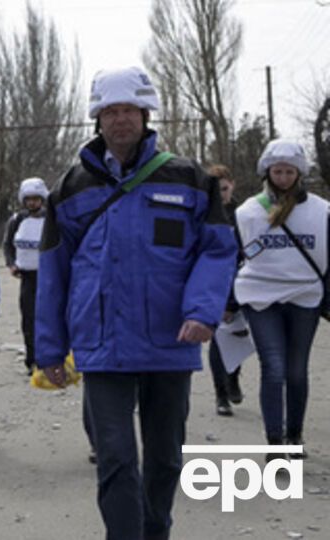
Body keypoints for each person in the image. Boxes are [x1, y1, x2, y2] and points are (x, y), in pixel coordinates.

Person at [35, 66, 237, 540]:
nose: (120, 119)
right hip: (101, 343)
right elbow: (53, 272)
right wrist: (48, 350)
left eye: (128, 110)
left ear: (145, 114)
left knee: (165, 457)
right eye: (110, 111)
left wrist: (202, 311)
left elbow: (217, 249)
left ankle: (156, 530)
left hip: (171, 338)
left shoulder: (189, 178)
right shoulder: (69, 188)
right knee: (115, 456)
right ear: (97, 119)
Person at [232, 139, 328, 461]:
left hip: (305, 295)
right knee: (273, 367)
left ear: (299, 173)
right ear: (268, 172)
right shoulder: (248, 212)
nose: (283, 177)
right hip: (260, 297)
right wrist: (228, 303)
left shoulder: (321, 211)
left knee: (297, 370)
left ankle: (295, 434)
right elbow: (236, 256)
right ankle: (274, 444)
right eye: (278, 171)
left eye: (289, 171)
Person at [206, 164, 244, 416]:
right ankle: (221, 394)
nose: (221, 194)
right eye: (215, 189)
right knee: (218, 340)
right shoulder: (204, 214)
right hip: (214, 284)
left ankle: (233, 377)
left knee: (238, 337)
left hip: (242, 283)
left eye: (224, 188)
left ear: (232, 185)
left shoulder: (244, 214)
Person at [3, 177, 48, 376]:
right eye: (28, 199)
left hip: (48, 277)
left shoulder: (52, 219)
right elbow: (7, 244)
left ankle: (53, 358)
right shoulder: (17, 220)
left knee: (50, 317)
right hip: (27, 277)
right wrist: (11, 264)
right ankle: (32, 360)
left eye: (36, 199)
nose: (32, 203)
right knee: (28, 319)